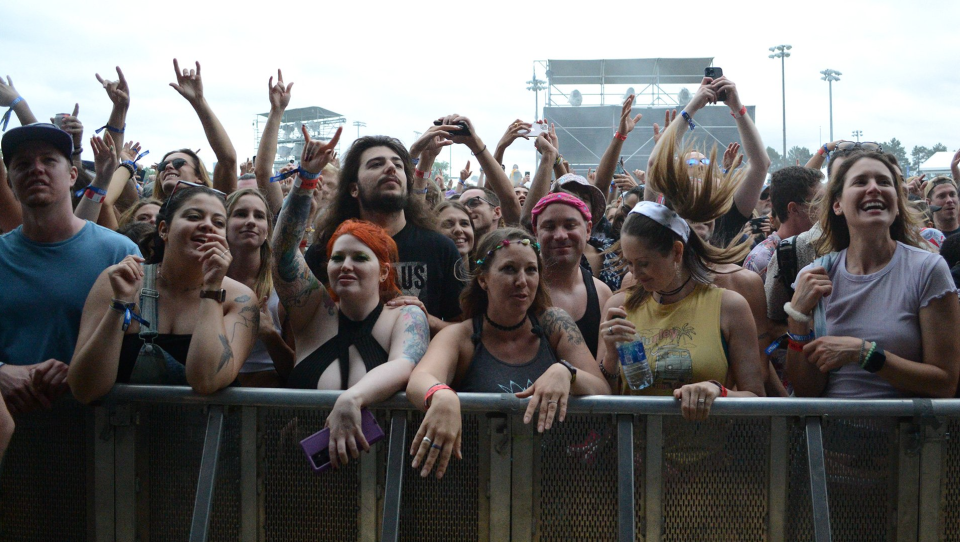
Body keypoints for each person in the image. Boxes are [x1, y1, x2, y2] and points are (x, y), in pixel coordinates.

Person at [406, 228, 610, 479]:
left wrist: (566, 373)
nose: (522, 281)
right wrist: (441, 396)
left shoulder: (554, 324)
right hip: (481, 485)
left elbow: (602, 389)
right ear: (483, 280)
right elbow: (419, 379)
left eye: (531, 270)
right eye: (509, 269)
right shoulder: (462, 336)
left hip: (556, 482)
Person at [599, 113, 766, 420]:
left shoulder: (729, 306)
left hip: (711, 464)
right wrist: (610, 356)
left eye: (644, 263)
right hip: (635, 461)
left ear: (676, 251)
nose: (634, 274)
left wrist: (718, 390)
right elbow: (604, 398)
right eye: (630, 263)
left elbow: (757, 396)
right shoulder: (619, 305)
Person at [274, 183, 429, 466]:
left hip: (380, 481)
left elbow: (404, 364)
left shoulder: (405, 316)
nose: (346, 265)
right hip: (298, 478)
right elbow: (284, 254)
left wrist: (352, 399)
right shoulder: (312, 312)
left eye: (359, 258)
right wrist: (305, 181)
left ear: (383, 271)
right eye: (338, 258)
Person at [784, 151, 960, 398]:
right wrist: (797, 317)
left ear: (897, 204)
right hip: (834, 433)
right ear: (837, 205)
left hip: (904, 434)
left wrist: (864, 353)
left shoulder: (928, 269)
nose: (874, 188)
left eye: (884, 182)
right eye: (860, 182)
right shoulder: (815, 276)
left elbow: (945, 384)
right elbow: (806, 390)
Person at [68, 182, 259, 403]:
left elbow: (206, 381)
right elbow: (85, 388)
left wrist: (212, 290)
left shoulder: (238, 298)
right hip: (124, 433)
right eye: (194, 217)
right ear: (163, 230)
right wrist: (120, 305)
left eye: (218, 222)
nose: (207, 226)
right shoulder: (119, 280)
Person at [0, 123, 140, 413]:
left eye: (49, 160)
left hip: (99, 437)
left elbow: (136, 344)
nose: (35, 169)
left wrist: (80, 372)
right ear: (9, 181)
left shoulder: (120, 252)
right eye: (22, 164)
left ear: (72, 175)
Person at [303, 134, 463, 334]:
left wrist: (426, 320)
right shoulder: (327, 250)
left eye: (398, 165)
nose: (390, 168)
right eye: (375, 164)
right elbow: (301, 325)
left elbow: (466, 332)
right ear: (354, 188)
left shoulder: (441, 248)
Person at [641, 75, 771, 247]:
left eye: (705, 162)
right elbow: (654, 164)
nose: (701, 167)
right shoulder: (664, 210)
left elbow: (761, 165)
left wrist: (737, 106)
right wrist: (694, 104)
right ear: (678, 173)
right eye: (693, 163)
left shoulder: (727, 213)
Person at [225, 188, 295, 387]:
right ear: (224, 224)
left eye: (259, 216)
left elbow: (300, 374)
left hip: (268, 406)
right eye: (240, 214)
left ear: (267, 230)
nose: (250, 221)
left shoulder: (284, 287)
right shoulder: (205, 280)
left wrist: (269, 334)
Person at [531, 192, 612, 358]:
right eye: (549, 227)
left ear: (588, 230)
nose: (560, 235)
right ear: (535, 232)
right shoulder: (522, 290)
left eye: (570, 225)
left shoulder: (602, 295)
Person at [152, 59, 238, 201]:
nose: (168, 167)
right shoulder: (148, 216)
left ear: (199, 177)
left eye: (178, 162)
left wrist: (198, 102)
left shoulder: (215, 206)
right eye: (162, 166)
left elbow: (228, 159)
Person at [744, 166, 823, 282]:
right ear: (794, 209)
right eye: (818, 201)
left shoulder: (821, 247)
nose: (826, 208)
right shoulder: (762, 261)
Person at [436, 200, 476, 273]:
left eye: (464, 223)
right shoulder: (427, 278)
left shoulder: (487, 273)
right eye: (448, 224)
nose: (458, 230)